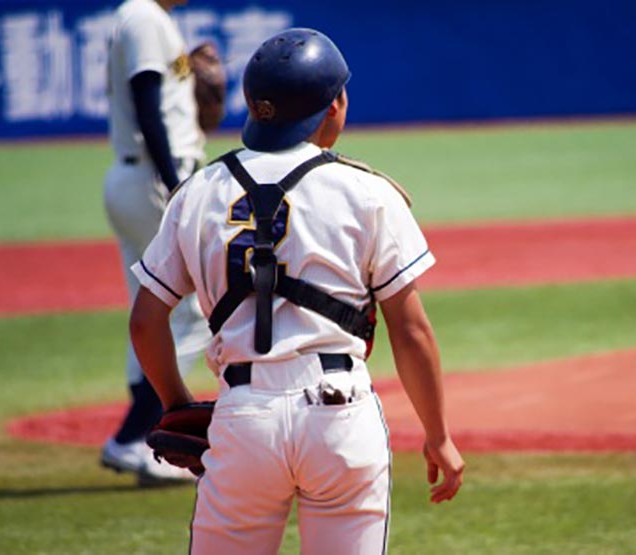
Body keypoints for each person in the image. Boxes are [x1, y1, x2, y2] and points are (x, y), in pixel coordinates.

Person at [128, 27, 465, 553]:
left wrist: (176, 401)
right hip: (340, 419)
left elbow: (145, 321)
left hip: (244, 421)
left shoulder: (198, 192)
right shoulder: (367, 192)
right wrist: (438, 434)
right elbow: (412, 330)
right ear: (337, 105)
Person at [101, 0, 210, 485]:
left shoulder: (146, 16)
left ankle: (136, 440)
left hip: (137, 178)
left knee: (148, 304)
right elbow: (147, 99)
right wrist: (175, 182)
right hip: (154, 180)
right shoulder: (144, 15)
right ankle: (134, 436)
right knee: (185, 312)